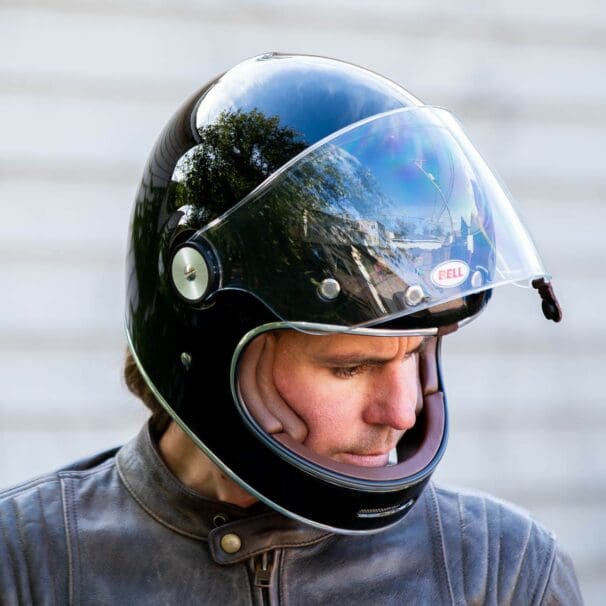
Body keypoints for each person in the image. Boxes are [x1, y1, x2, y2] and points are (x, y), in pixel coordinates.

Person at [0, 53, 582, 605]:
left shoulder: (502, 572)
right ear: (208, 344)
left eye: (414, 356)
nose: (402, 413)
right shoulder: (30, 563)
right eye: (350, 366)